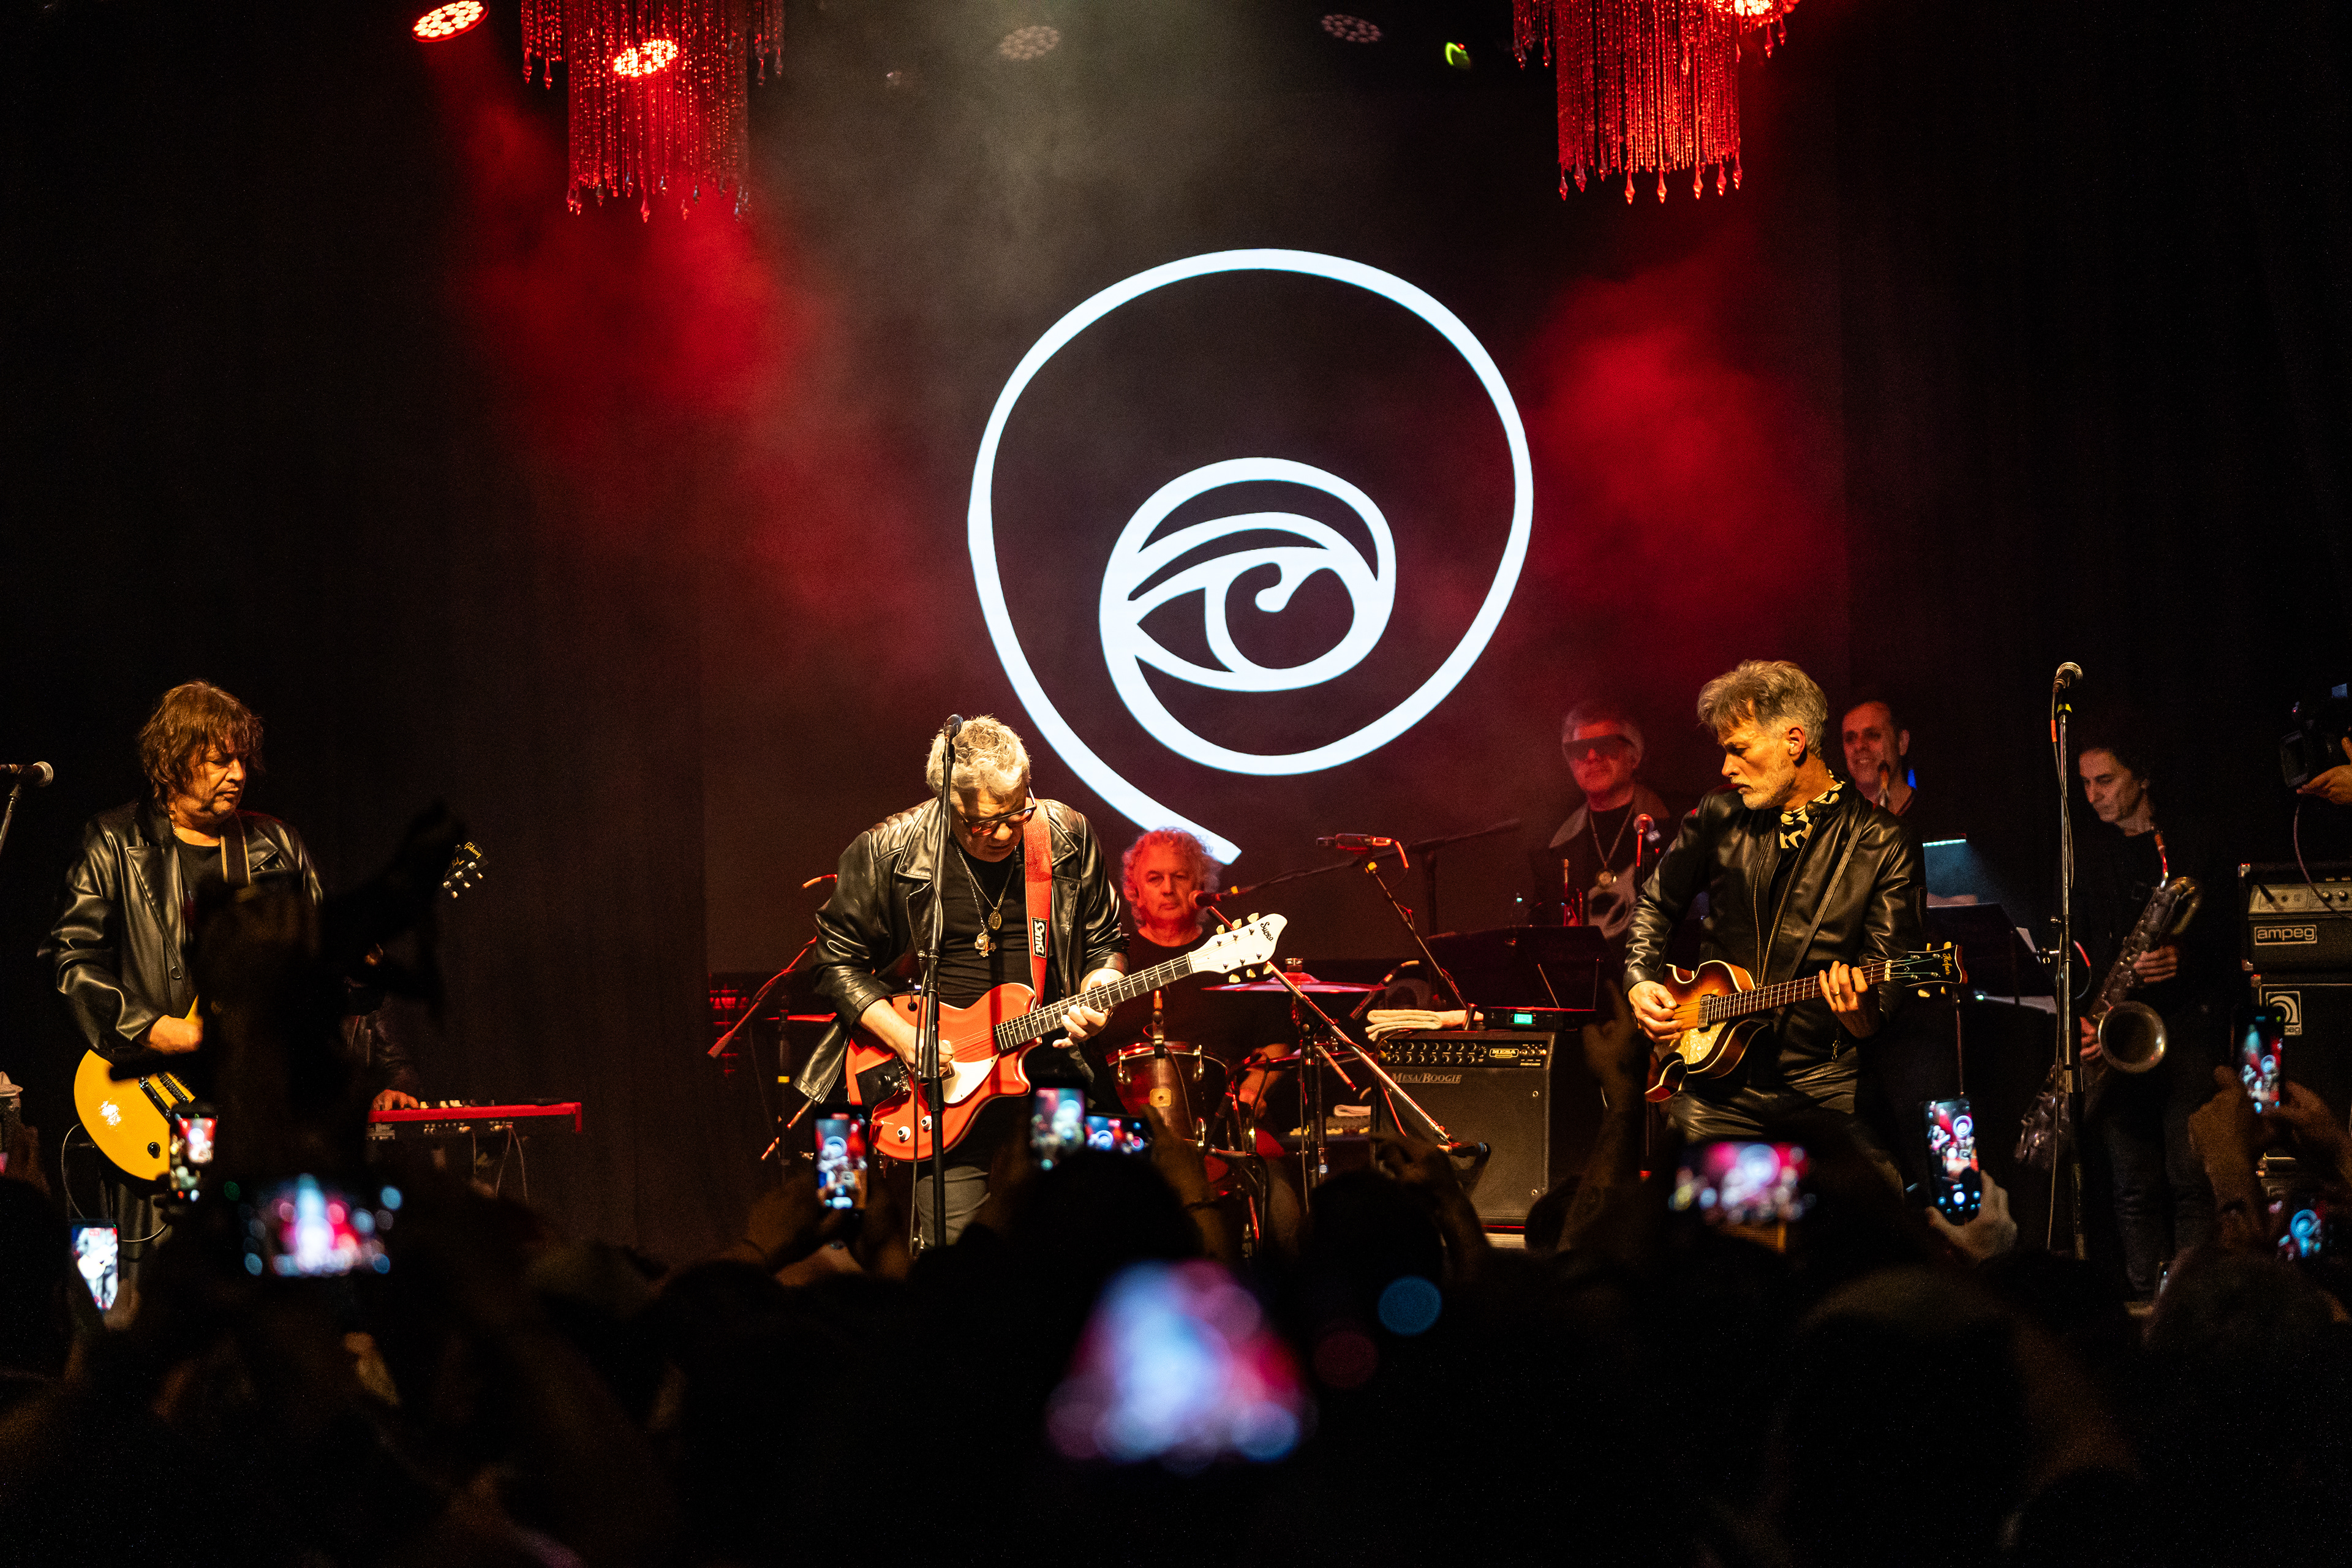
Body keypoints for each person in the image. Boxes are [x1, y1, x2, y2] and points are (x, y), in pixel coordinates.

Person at [43, 684, 421, 1264]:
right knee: (178, 1265)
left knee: (264, 1267)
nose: (239, 773)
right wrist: (156, 1030)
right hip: (164, 1101)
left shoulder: (276, 846)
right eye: (221, 760)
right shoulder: (113, 842)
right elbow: (71, 959)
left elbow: (329, 983)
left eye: (243, 759)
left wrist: (387, 1044)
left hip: (262, 1114)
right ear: (172, 762)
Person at [805, 715, 1127, 1245]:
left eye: (1016, 813)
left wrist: (1100, 986)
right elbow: (834, 962)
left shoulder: (1064, 835)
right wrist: (905, 1037)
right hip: (937, 1086)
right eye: (982, 823)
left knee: (1072, 1237)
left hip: (1046, 1071)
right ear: (946, 802)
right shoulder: (888, 850)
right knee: (955, 1255)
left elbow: (1105, 941)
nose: (1003, 833)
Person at [1624, 661, 1925, 1145]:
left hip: (1823, 1088)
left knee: (1875, 1189)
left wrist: (1864, 1014)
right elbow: (1656, 904)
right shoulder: (1720, 813)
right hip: (1712, 1087)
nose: (1726, 768)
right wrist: (1640, 979)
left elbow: (1887, 978)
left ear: (1794, 741)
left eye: (1739, 749)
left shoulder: (1884, 841)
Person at [2073, 726, 2232, 1297]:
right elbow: (2082, 953)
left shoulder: (2194, 844)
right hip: (2120, 1032)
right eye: (2085, 783)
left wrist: (2182, 958)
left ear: (2142, 776)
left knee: (2190, 1177)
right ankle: (2145, 1299)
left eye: (2106, 780)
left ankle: (2191, 1299)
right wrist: (2084, 1018)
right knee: (2133, 1185)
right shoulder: (2088, 856)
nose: (2093, 795)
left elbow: (2231, 938)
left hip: (2188, 1026)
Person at [1534, 699, 1673, 951]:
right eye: (1579, 749)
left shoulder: (1675, 829)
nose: (1592, 757)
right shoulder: (1557, 847)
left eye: (1605, 745)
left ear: (1634, 756)